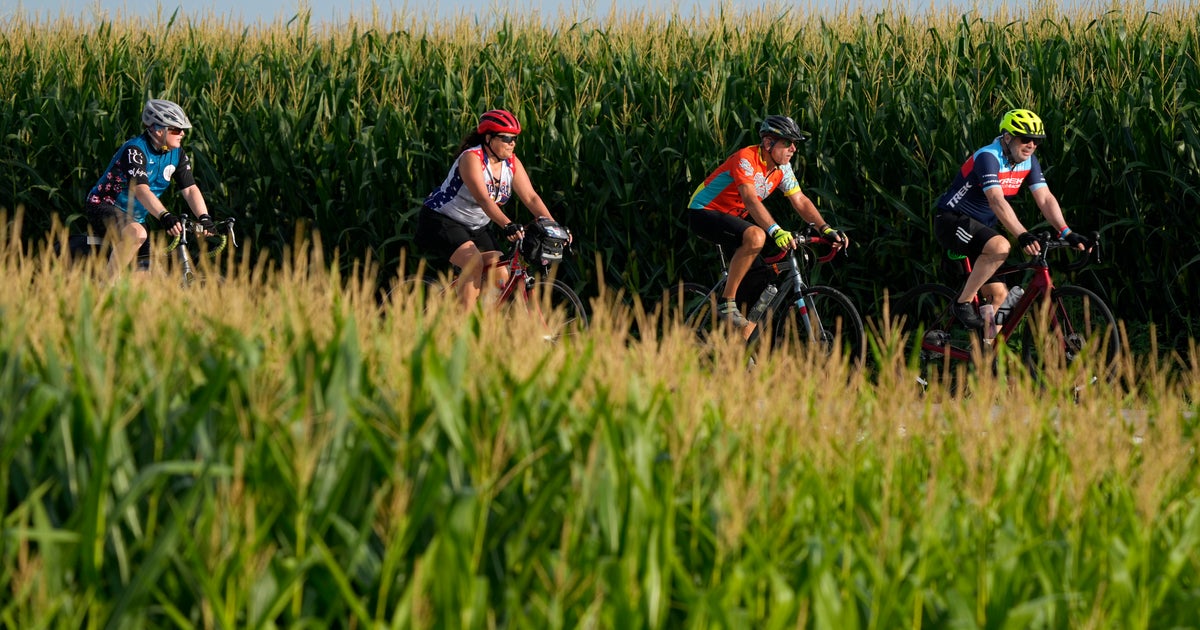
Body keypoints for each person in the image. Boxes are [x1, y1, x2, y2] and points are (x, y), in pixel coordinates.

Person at [687, 114, 848, 333]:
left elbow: (800, 200)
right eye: (788, 143)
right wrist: (776, 230)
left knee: (760, 288)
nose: (793, 149)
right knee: (756, 236)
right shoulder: (746, 159)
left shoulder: (783, 168)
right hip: (703, 211)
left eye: (795, 144)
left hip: (732, 219)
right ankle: (727, 302)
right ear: (768, 142)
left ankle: (738, 346)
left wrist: (825, 228)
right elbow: (750, 200)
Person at [933, 108, 1091, 329]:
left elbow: (1045, 198)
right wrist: (1022, 235)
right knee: (1001, 246)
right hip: (952, 220)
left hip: (981, 227)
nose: (1031, 145)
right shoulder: (988, 157)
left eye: (1037, 141)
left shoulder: (1028, 161)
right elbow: (996, 200)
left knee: (1000, 297)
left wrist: (1066, 232)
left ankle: (986, 356)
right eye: (1026, 139)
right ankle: (962, 303)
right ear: (1007, 136)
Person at [415, 108, 565, 306]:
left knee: (500, 272)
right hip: (441, 219)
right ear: (488, 138)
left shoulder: (511, 163)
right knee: (473, 264)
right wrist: (508, 224)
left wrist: (554, 228)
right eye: (505, 138)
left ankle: (484, 324)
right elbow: (485, 200)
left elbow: (531, 198)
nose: (512, 143)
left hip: (476, 226)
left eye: (514, 139)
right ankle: (464, 330)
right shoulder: (472, 158)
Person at [84, 98, 217, 271]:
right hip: (104, 206)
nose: (182, 133)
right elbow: (141, 190)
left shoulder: (177, 154)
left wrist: (204, 217)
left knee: (149, 275)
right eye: (176, 129)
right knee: (137, 233)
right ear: (158, 129)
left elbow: (190, 189)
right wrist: (165, 216)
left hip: (135, 218)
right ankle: (105, 288)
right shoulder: (135, 150)